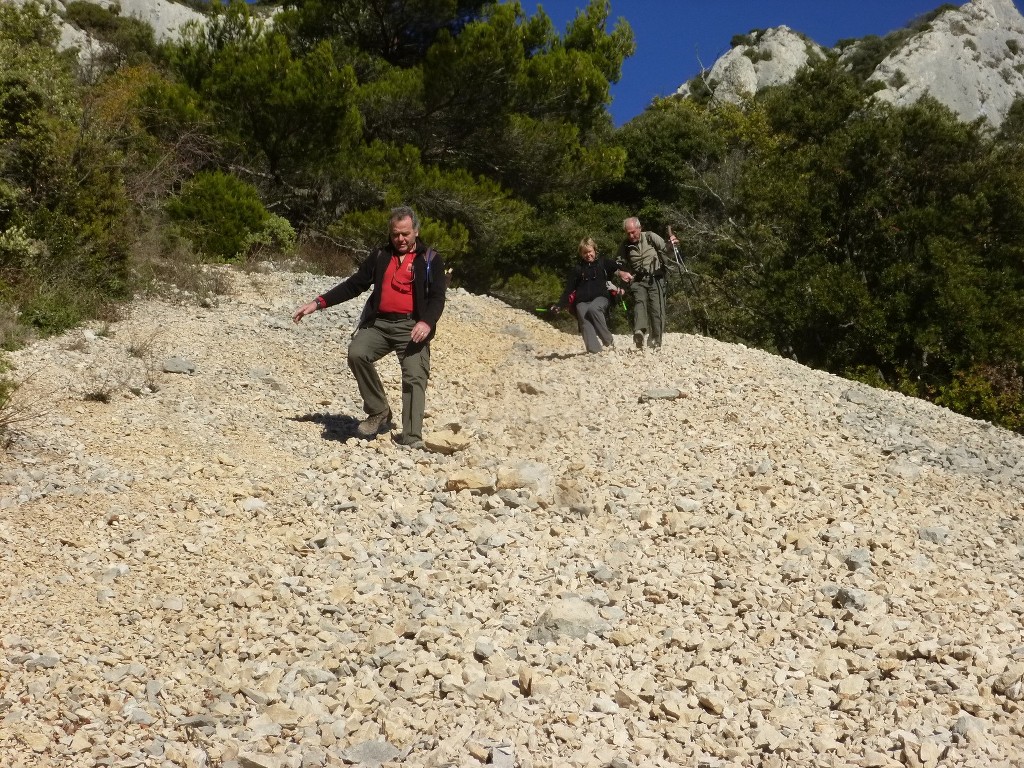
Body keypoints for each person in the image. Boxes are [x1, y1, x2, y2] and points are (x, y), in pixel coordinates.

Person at [292, 206, 446, 449]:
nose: (400, 239)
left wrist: (426, 322)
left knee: (415, 376)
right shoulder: (380, 256)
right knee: (357, 353)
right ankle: (379, 411)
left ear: (416, 231)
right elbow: (355, 284)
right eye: (396, 234)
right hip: (380, 324)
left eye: (405, 234)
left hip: (412, 325)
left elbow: (438, 297)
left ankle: (412, 437)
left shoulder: (430, 260)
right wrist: (318, 303)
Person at [614, 217, 678, 350]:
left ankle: (656, 339)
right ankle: (639, 332)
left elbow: (667, 250)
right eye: (628, 233)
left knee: (657, 308)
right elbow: (616, 265)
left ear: (639, 228)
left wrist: (672, 245)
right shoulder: (625, 245)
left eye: (633, 232)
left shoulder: (650, 237)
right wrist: (621, 273)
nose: (631, 236)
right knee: (640, 302)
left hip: (656, 277)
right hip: (638, 280)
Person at [553, 237, 621, 354]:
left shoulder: (603, 263)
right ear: (581, 254)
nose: (588, 255)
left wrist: (624, 278)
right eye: (585, 252)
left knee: (593, 309)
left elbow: (620, 268)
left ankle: (608, 341)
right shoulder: (577, 269)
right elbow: (569, 289)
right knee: (583, 313)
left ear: (595, 250)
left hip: (601, 298)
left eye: (590, 251)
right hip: (582, 300)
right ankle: (594, 351)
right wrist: (559, 305)